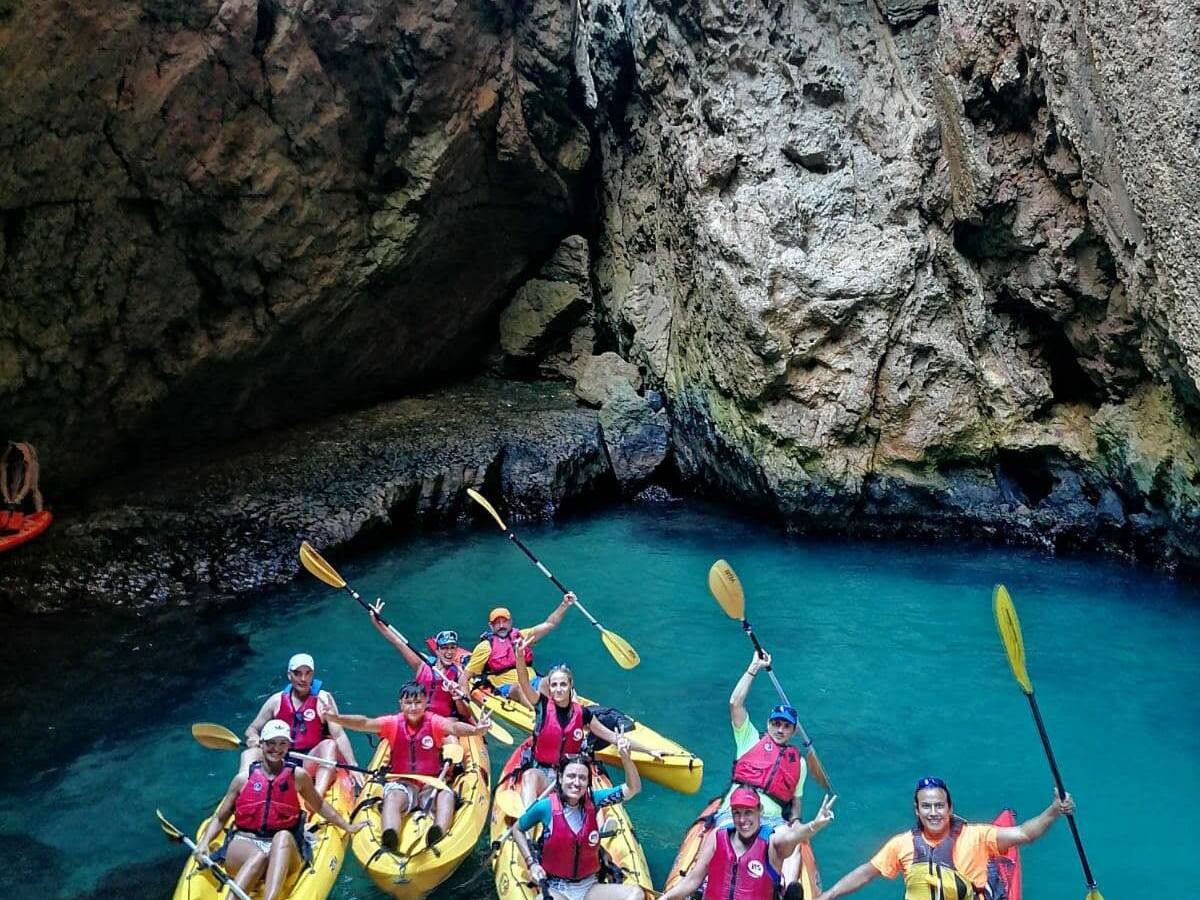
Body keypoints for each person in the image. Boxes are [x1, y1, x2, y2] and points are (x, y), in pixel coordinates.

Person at [815, 777, 1077, 899]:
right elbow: (866, 872)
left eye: (939, 806)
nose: (934, 812)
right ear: (917, 810)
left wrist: (1054, 810)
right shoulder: (902, 843)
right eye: (926, 807)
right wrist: (829, 895)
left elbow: (1024, 834)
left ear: (950, 809)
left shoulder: (977, 835)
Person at [194, 719, 365, 900]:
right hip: (245, 845)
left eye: (282, 743)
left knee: (282, 836)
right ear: (261, 744)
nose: (276, 748)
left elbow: (320, 805)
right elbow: (221, 817)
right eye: (271, 743)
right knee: (258, 856)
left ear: (289, 746)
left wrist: (347, 826)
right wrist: (204, 843)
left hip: (284, 851)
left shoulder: (298, 776)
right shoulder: (242, 780)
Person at [324, 680, 492, 851]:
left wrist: (475, 730)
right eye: (409, 703)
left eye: (418, 702)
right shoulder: (392, 723)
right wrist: (337, 718)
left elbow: (454, 727)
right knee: (392, 798)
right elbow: (364, 723)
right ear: (401, 704)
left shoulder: (434, 721)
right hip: (403, 782)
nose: (413, 707)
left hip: (431, 783)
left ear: (426, 702)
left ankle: (438, 830)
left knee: (446, 796)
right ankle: (391, 834)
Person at [512, 642, 663, 809]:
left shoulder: (583, 714)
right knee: (530, 776)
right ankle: (529, 817)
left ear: (571, 686)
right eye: (554, 685)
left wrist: (649, 751)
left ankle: (589, 816)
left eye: (563, 684)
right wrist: (519, 657)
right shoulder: (541, 705)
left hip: (571, 776)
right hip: (544, 773)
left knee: (582, 797)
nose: (558, 689)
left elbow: (613, 737)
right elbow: (524, 681)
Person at [713, 652, 809, 896]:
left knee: (794, 841)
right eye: (776, 723)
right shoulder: (748, 738)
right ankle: (708, 882)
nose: (780, 729)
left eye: (786, 726)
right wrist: (754, 666)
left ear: (793, 731)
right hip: (737, 810)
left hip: (773, 818)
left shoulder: (799, 762)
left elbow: (796, 801)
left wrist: (795, 821)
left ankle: (787, 889)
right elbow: (735, 703)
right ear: (768, 724)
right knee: (723, 838)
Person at [512, 738, 644, 900]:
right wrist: (531, 863)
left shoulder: (595, 800)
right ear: (560, 778)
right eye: (571, 776)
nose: (576, 783)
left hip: (589, 886)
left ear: (588, 782)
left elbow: (633, 788)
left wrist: (625, 758)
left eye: (582, 778)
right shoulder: (545, 807)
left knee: (636, 894)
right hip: (556, 886)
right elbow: (517, 829)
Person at [659, 788, 837, 900]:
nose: (742, 820)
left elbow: (792, 836)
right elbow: (692, 880)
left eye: (748, 812)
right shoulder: (716, 837)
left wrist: (814, 825)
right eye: (737, 813)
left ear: (760, 811)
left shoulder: (773, 843)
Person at [241, 653, 360, 796]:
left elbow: (339, 735)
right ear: (289, 675)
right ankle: (245, 796)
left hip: (309, 759)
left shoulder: (323, 700)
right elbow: (252, 728)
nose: (303, 679)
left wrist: (352, 766)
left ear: (313, 674)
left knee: (330, 745)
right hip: (280, 757)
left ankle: (316, 798)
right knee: (250, 753)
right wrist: (253, 738)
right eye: (298, 673)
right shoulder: (276, 701)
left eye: (308, 673)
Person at [459, 592, 576, 706]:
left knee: (558, 677)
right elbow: (465, 677)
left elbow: (550, 624)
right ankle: (537, 714)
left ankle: (576, 710)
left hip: (533, 682)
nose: (501, 626)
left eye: (504, 621)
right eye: (497, 623)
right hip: (508, 688)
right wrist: (466, 700)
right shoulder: (485, 647)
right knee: (518, 687)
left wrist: (564, 604)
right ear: (491, 626)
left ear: (510, 622)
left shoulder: (522, 636)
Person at [368, 599, 472, 719]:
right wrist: (376, 620)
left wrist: (457, 697)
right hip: (419, 716)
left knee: (451, 737)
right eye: (444, 648)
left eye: (452, 648)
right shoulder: (422, 664)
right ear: (437, 651)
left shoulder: (459, 675)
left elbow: (466, 713)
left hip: (445, 720)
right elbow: (397, 642)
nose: (449, 652)